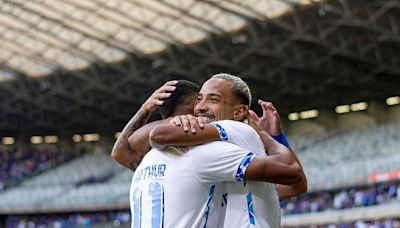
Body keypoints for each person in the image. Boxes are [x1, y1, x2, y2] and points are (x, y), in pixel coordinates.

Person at [147, 73, 307, 227]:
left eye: (213, 100)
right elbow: (297, 186)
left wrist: (172, 122)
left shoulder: (232, 128)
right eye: (199, 100)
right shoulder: (225, 157)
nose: (201, 107)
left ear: (239, 112)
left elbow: (158, 136)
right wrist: (276, 137)